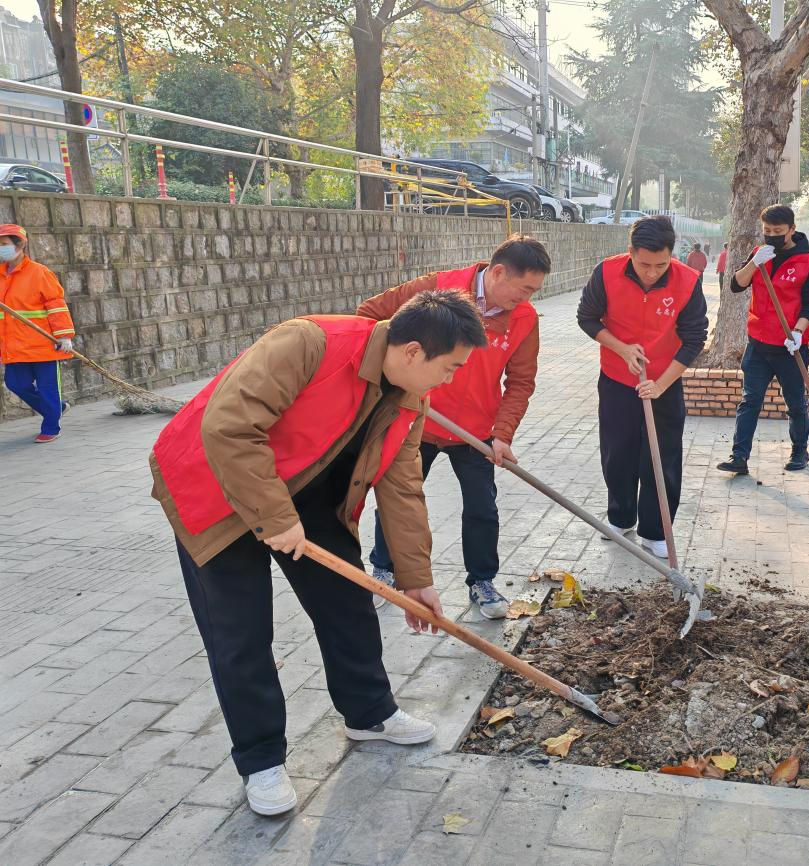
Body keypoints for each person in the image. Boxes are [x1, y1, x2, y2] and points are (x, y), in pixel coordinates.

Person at [149, 292, 486, 817]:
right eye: (450, 368)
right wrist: (275, 517)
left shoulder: (410, 397)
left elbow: (402, 487)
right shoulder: (310, 343)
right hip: (215, 489)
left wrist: (416, 577)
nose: (450, 380)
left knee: (347, 604)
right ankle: (261, 760)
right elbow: (229, 428)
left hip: (305, 495)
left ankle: (369, 713)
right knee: (241, 633)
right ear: (414, 351)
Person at [356, 235, 550, 619]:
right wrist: (392, 383)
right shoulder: (435, 289)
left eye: (534, 291)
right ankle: (384, 568)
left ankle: (482, 582)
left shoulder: (524, 318)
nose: (527, 298)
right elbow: (367, 317)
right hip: (417, 420)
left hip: (476, 431)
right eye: (525, 288)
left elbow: (521, 381)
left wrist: (502, 434)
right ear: (499, 272)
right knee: (398, 498)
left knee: (482, 508)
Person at [576, 215, 708, 558]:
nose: (652, 273)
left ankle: (656, 530)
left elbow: (694, 338)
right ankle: (620, 517)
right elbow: (586, 317)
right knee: (617, 451)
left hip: (664, 382)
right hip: (617, 378)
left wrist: (661, 385)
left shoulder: (687, 281)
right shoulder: (607, 273)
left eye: (661, 265)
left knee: (662, 456)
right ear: (631, 252)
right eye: (644, 264)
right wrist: (621, 348)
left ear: (671, 254)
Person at [716, 204, 809, 476]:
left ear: (792, 229)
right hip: (758, 345)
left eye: (778, 231)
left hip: (790, 347)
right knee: (749, 401)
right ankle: (739, 456)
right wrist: (754, 263)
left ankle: (799, 450)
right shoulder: (759, 254)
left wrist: (798, 332)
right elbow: (736, 285)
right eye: (767, 230)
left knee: (795, 403)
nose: (772, 235)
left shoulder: (808, 262)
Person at [0, 223, 75, 443]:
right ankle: (57, 408)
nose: (1, 248)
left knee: (47, 388)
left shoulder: (39, 273)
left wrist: (64, 335)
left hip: (42, 344)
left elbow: (56, 305)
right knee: (16, 384)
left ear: (20, 245)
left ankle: (51, 426)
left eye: (4, 244)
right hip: (14, 345)